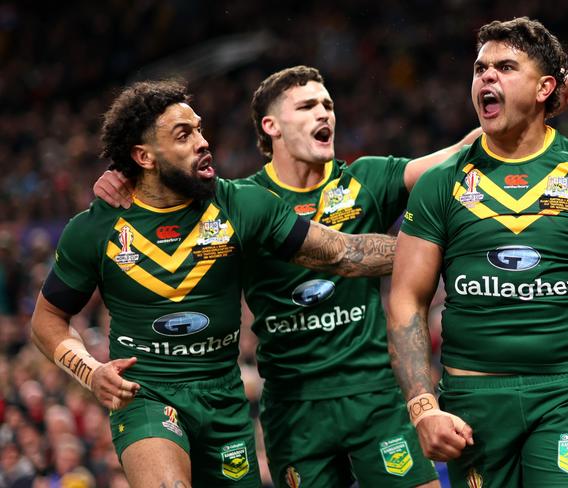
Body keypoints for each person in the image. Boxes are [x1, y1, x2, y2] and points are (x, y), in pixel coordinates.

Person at [94, 65, 568, 487]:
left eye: (327, 104)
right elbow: (161, 199)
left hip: (376, 397)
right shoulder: (239, 200)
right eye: (306, 106)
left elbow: (457, 155)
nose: (324, 113)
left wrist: (530, 115)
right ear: (272, 126)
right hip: (294, 405)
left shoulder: (367, 178)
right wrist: (123, 181)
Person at [30, 80, 399, 488]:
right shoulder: (94, 229)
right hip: (147, 394)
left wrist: (443, 248)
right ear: (144, 156)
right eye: (184, 135)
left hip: (224, 400)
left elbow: (341, 253)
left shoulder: (242, 204)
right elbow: (46, 319)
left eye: (200, 129)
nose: (204, 142)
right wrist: (90, 370)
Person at [387, 16, 568, 488]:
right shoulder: (439, 185)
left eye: (505, 67)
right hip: (473, 404)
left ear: (546, 87)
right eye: (479, 68)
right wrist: (423, 408)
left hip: (566, 396)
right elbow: (407, 298)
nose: (486, 76)